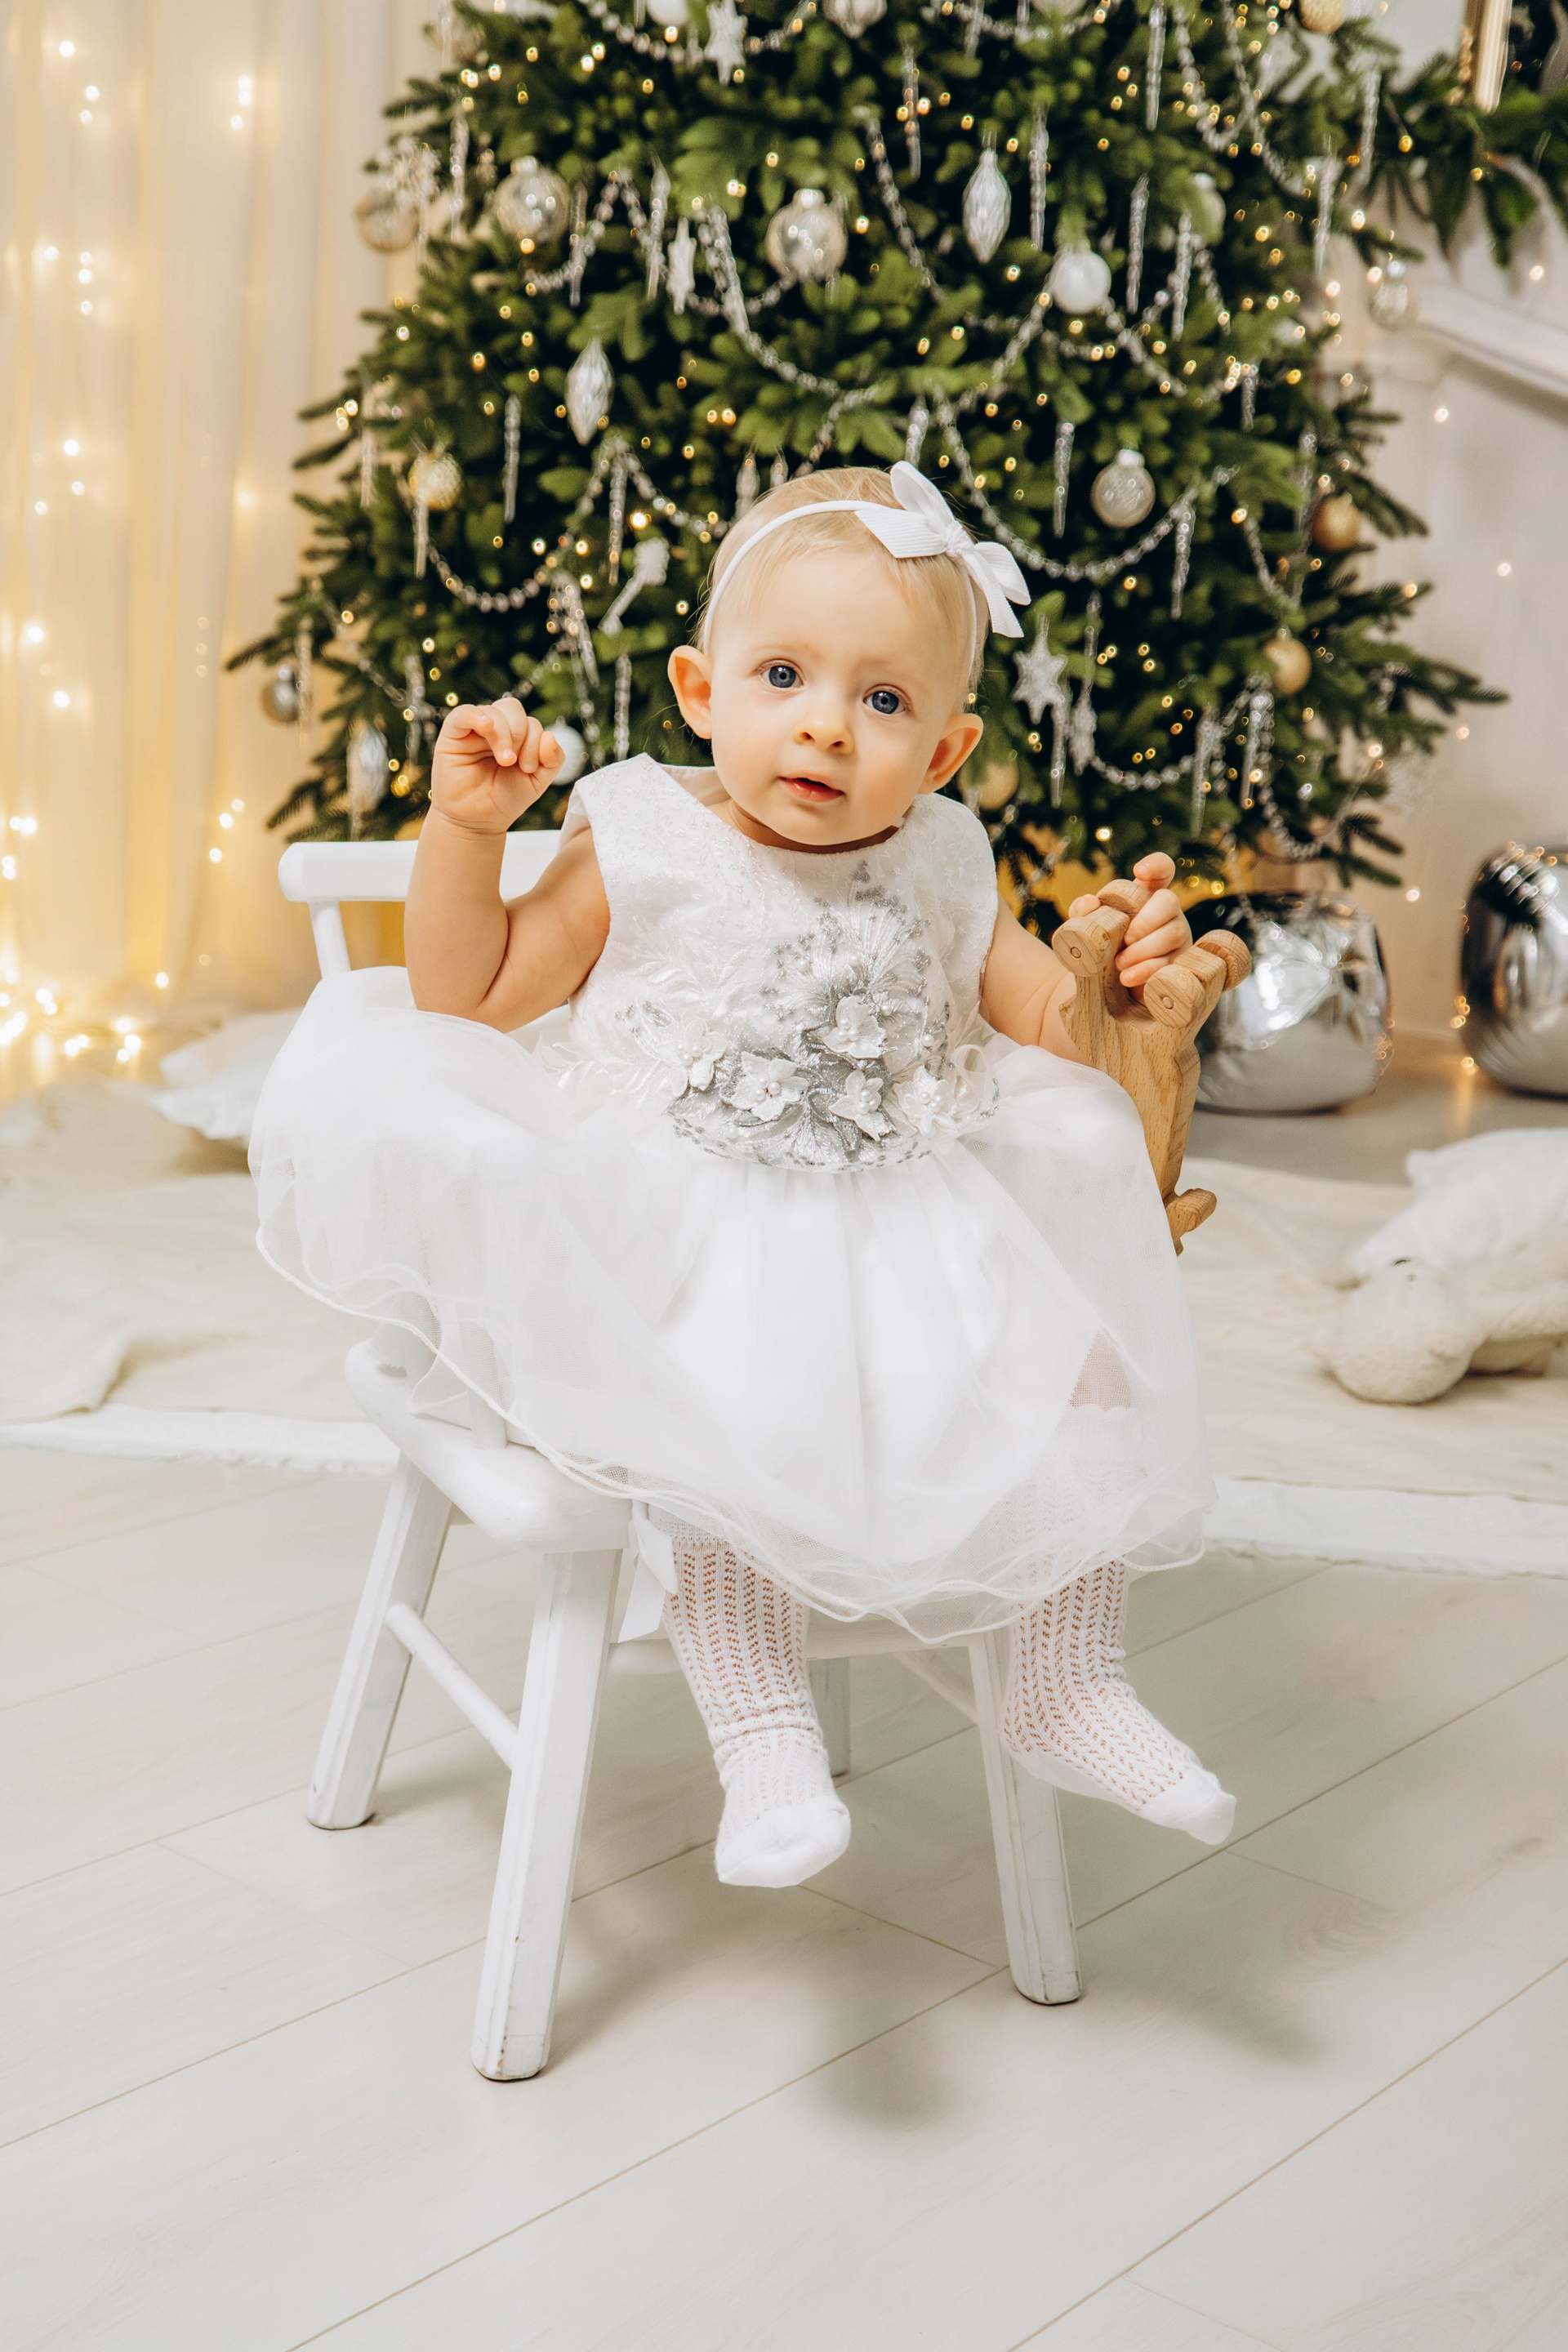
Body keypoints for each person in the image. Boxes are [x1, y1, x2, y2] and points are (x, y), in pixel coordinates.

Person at [253, 461, 1235, 1892]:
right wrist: (468, 832)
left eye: (884, 700)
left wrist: (1120, 986)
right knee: (748, 1384)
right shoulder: (643, 834)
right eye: (785, 675)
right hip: (682, 1239)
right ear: (702, 690)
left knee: (1082, 1334)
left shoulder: (942, 860)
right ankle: (761, 1716)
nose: (828, 723)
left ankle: (1069, 1675)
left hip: (905, 1224)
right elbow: (469, 995)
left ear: (946, 752)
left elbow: (1054, 1022)